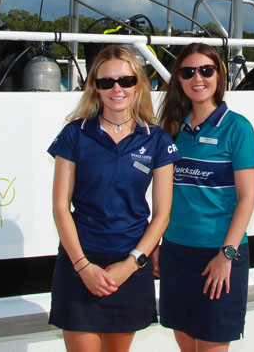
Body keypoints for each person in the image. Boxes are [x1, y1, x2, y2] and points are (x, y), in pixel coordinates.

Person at [48, 45, 179, 352]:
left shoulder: (156, 140)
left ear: (139, 85)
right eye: (107, 82)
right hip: (80, 265)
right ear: (95, 87)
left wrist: (131, 264)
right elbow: (59, 207)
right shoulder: (75, 134)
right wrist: (83, 266)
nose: (117, 88)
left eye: (126, 80)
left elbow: (162, 214)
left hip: (130, 266)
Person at [155, 44, 254, 351]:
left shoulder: (238, 128)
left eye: (206, 70)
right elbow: (164, 197)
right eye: (188, 72)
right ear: (179, 80)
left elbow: (247, 198)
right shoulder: (171, 129)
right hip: (176, 253)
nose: (197, 78)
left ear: (218, 75)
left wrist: (226, 256)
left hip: (219, 254)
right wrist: (159, 244)